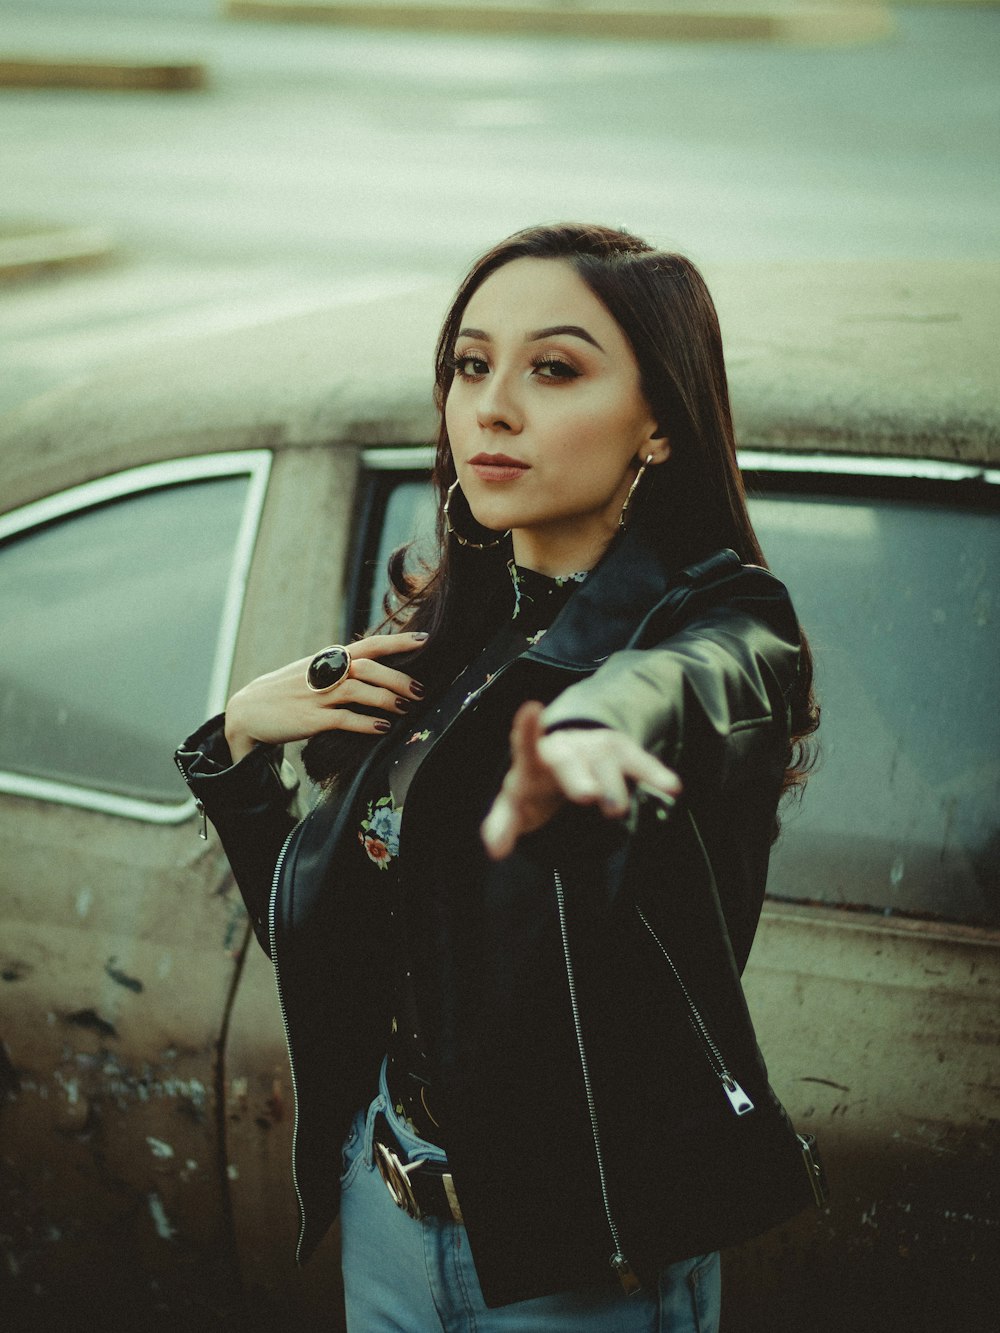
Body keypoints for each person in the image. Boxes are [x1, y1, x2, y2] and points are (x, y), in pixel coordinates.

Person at [176, 222, 823, 1332]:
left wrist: (596, 725)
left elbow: (703, 678)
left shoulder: (719, 620)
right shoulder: (444, 650)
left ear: (658, 423)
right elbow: (347, 951)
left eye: (554, 368)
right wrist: (237, 752)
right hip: (388, 1212)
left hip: (576, 1268)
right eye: (471, 365)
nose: (492, 405)